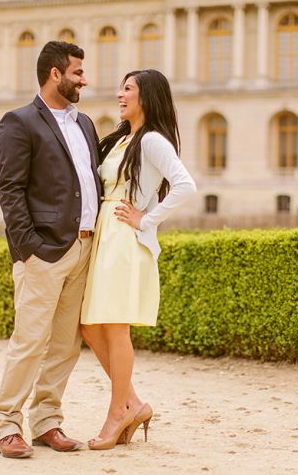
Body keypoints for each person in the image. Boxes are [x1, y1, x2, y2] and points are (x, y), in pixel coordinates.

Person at [0, 41, 101, 459]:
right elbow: (10, 190)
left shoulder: (85, 123)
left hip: (84, 249)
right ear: (55, 74)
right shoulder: (19, 122)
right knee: (29, 342)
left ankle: (47, 422)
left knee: (64, 345)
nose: (84, 80)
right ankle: (6, 425)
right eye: (77, 72)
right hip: (43, 253)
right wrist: (29, 248)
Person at [79, 69, 197, 450]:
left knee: (114, 329)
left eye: (127, 89)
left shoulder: (152, 141)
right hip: (106, 236)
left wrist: (147, 218)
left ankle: (117, 413)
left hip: (125, 239)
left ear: (146, 97)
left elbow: (185, 185)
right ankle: (132, 403)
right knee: (90, 327)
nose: (119, 94)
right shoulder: (121, 139)